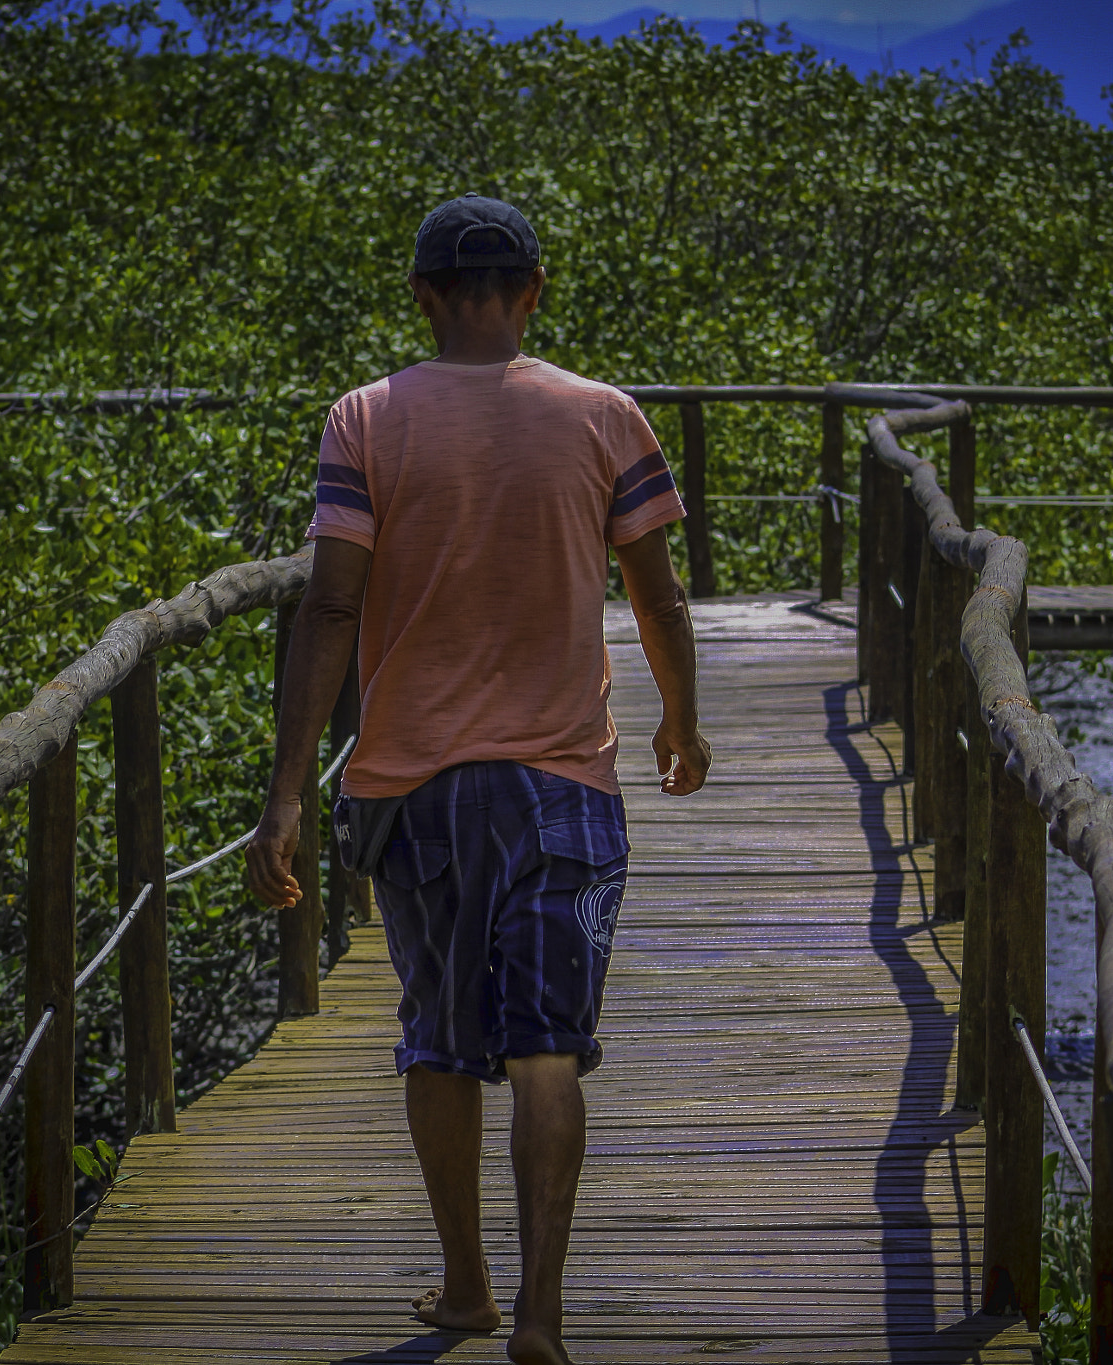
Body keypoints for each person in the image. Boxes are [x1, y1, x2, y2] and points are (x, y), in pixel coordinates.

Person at [243, 192, 712, 1365]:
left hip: (412, 785)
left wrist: (288, 791)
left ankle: (467, 1290)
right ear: (534, 292)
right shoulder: (604, 417)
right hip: (566, 780)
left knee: (439, 1041)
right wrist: (682, 723)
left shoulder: (364, 419)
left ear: (422, 297)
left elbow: (333, 602)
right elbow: (656, 594)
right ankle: (545, 1315)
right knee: (545, 1047)